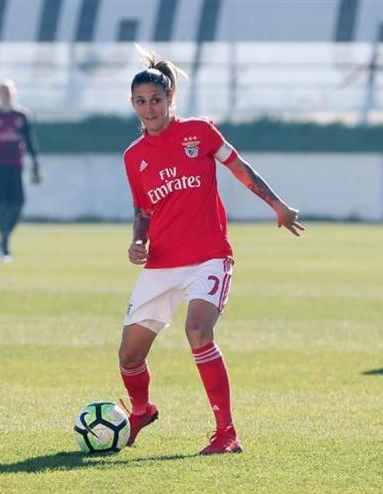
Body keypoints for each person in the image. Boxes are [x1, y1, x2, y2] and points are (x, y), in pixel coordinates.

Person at [119, 49, 304, 455]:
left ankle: (226, 433)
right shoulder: (133, 157)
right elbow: (143, 208)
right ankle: (141, 409)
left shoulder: (199, 132)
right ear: (133, 104)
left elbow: (239, 168)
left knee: (198, 331)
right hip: (162, 262)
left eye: (156, 100)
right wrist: (138, 240)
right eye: (141, 101)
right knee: (129, 356)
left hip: (209, 256)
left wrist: (276, 205)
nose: (149, 108)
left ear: (170, 100)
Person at [0, 79, 41, 262]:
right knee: (1, 205)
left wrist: (36, 165)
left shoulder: (22, 116)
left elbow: (30, 142)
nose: (6, 95)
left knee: (18, 204)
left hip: (15, 166)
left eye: (9, 91)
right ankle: (4, 246)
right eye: (3, 92)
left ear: (14, 93)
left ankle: (3, 239)